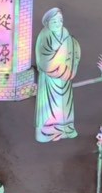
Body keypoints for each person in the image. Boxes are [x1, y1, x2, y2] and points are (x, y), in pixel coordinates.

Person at [34, 7, 79, 141]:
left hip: (65, 76)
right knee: (51, 106)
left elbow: (71, 50)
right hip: (50, 79)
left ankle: (66, 128)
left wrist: (68, 66)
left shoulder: (65, 32)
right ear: (47, 23)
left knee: (65, 104)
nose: (58, 24)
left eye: (60, 20)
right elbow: (43, 58)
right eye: (54, 21)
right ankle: (50, 131)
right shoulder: (44, 35)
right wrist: (56, 62)